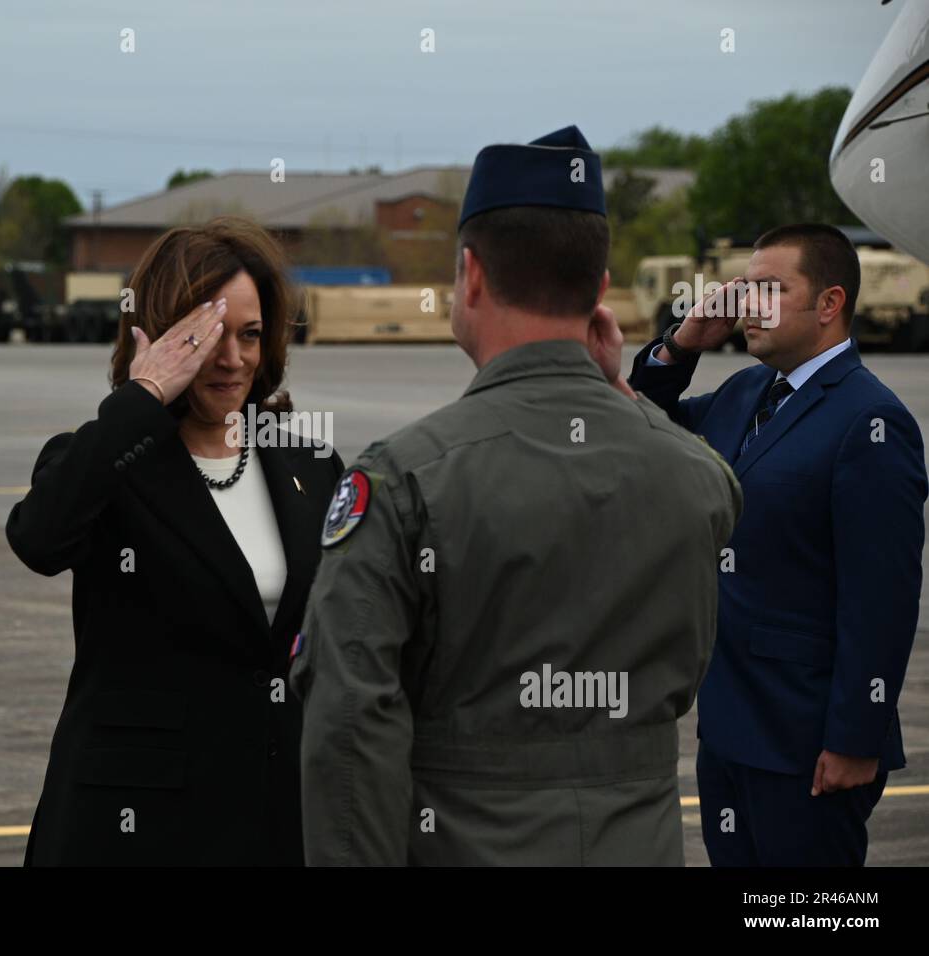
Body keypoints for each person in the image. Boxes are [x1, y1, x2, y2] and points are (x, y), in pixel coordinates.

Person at [290, 126, 742, 866]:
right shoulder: (696, 477)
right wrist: (620, 392)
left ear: (470, 275)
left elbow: (349, 723)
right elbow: (699, 476)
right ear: (600, 289)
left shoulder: (406, 479)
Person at [6, 216, 344, 865]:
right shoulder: (110, 459)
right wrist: (144, 397)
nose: (234, 359)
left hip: (274, 819)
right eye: (208, 337)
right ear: (161, 334)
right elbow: (38, 539)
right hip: (138, 827)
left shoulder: (309, 465)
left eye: (250, 335)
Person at [628, 223, 927, 866]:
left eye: (770, 289)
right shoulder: (744, 394)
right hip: (729, 728)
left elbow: (883, 600)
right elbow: (638, 429)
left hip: (807, 741)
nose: (748, 306)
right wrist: (683, 344)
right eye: (745, 288)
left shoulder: (869, 422)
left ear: (829, 304)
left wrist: (855, 738)